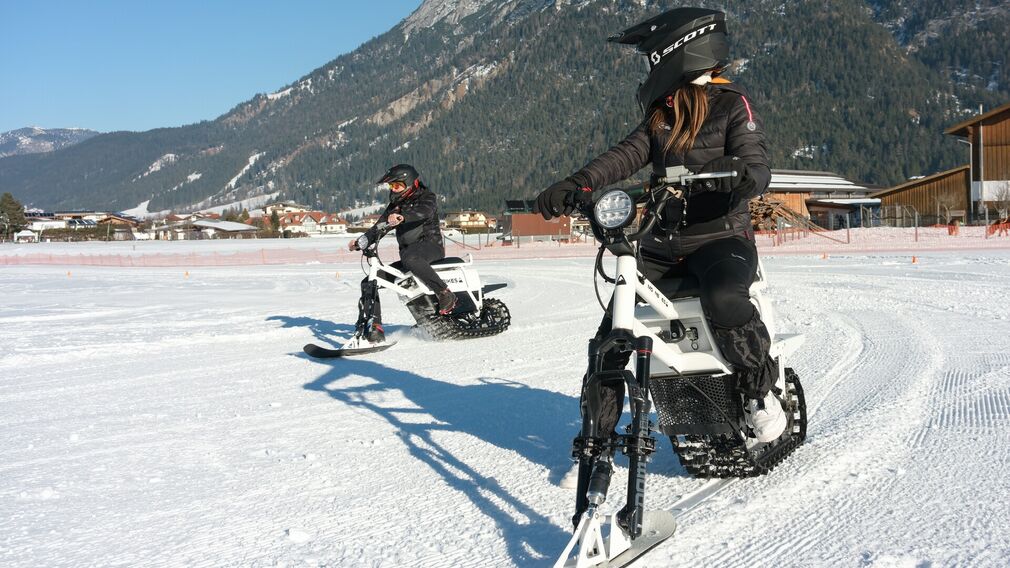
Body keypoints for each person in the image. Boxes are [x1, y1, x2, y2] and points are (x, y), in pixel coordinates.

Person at [535, 8, 786, 442]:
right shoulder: (660, 117)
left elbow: (757, 163)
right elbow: (623, 156)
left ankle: (758, 391)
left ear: (677, 52)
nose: (650, 70)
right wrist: (577, 183)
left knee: (724, 297)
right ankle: (598, 433)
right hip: (661, 245)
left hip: (720, 238)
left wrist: (743, 174)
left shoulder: (731, 104)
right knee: (614, 330)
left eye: (653, 59)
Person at [350, 164, 457, 343]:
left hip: (431, 247)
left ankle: (445, 293)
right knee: (370, 281)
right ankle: (374, 327)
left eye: (397, 185)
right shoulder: (395, 205)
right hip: (410, 255)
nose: (393, 189)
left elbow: (423, 212)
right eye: (391, 186)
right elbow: (379, 226)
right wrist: (362, 242)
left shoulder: (427, 197)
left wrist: (403, 216)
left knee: (410, 258)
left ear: (410, 183)